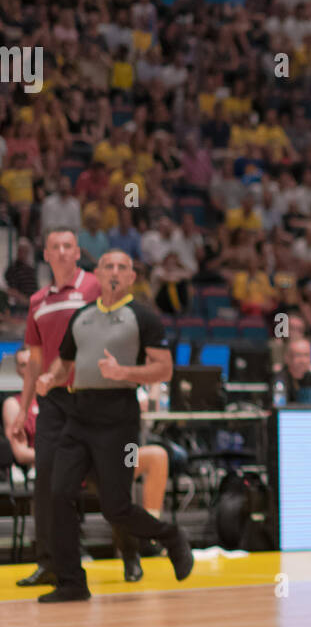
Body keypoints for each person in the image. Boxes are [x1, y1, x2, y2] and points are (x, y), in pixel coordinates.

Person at [33, 250, 194, 602]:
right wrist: (49, 377)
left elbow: (164, 369)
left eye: (123, 267)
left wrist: (126, 373)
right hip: (79, 415)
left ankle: (170, 536)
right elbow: (65, 364)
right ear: (98, 275)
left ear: (132, 277)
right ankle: (72, 582)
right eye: (109, 266)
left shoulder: (144, 317)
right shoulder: (82, 317)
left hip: (120, 420)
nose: (115, 272)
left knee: (115, 507)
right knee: (59, 493)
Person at [12, 230, 102, 587]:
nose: (63, 252)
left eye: (69, 246)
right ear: (46, 255)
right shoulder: (37, 300)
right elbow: (34, 362)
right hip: (54, 402)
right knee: (46, 481)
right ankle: (49, 562)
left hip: (93, 398)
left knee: (111, 482)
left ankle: (131, 553)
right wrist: (23, 409)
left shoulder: (96, 287)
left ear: (78, 251)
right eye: (56, 247)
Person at [3, 347, 38, 472]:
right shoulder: (13, 404)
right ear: (18, 370)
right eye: (23, 365)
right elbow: (21, 454)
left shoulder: (57, 400)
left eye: (32, 363)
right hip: (34, 473)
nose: (29, 369)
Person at [278, 338, 311, 404]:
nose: (303, 360)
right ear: (287, 358)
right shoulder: (280, 380)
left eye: (306, 355)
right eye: (298, 355)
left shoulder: (310, 377)